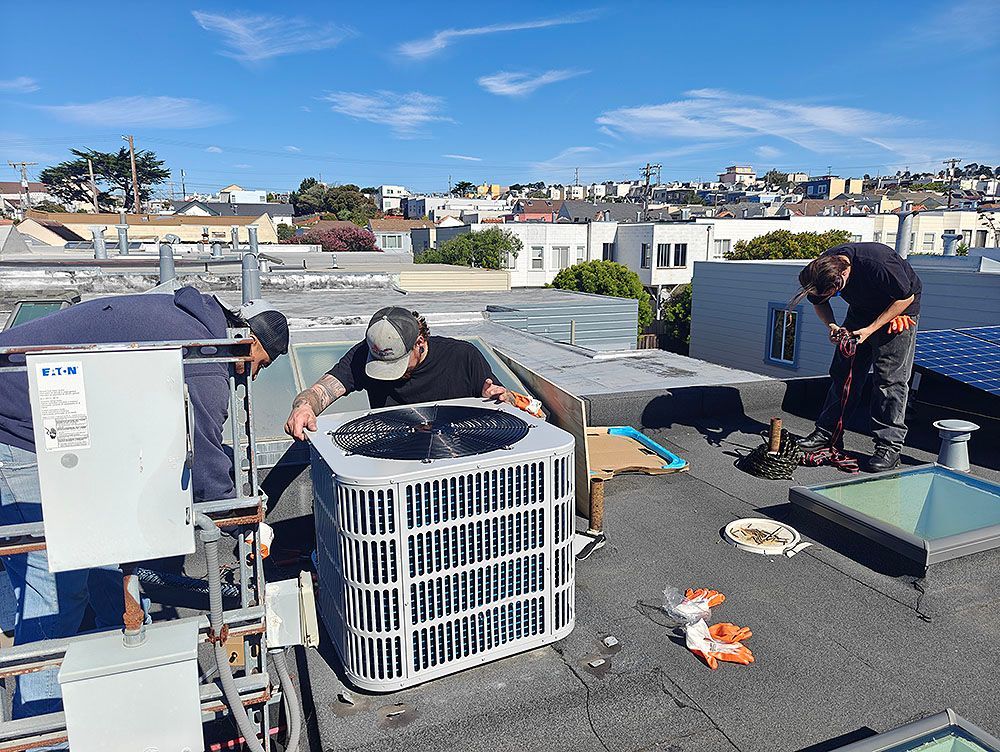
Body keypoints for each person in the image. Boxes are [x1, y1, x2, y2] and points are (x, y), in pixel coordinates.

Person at [0, 287, 289, 721]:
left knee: (102, 573)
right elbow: (207, 465)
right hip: (19, 432)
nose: (250, 377)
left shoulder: (184, 321)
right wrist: (244, 526)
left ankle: (112, 712)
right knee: (57, 589)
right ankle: (40, 730)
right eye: (258, 365)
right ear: (250, 343)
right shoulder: (206, 358)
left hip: (50, 427)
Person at [286, 307, 512, 440]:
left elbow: (508, 400)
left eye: (398, 363)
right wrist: (303, 407)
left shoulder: (463, 357)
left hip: (458, 463)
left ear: (420, 343)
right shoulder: (364, 354)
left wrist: (502, 398)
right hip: (393, 464)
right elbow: (321, 391)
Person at [792, 242, 922, 472]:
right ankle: (827, 433)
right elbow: (819, 302)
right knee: (843, 374)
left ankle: (889, 447)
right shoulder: (821, 270)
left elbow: (906, 297)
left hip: (898, 312)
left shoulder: (878, 263)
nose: (833, 296)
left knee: (889, 380)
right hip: (861, 311)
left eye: (836, 292)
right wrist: (832, 325)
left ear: (844, 273)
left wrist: (870, 329)